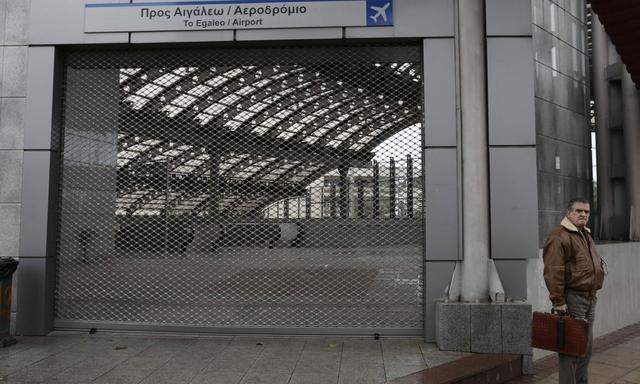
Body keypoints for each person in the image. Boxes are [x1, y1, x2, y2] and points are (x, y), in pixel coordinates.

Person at [543, 198, 606, 384]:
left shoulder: (585, 234)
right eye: (579, 211)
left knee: (585, 348)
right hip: (573, 299)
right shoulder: (559, 236)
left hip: (590, 298)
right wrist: (558, 301)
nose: (583, 214)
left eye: (586, 212)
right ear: (568, 212)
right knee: (571, 350)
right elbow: (553, 271)